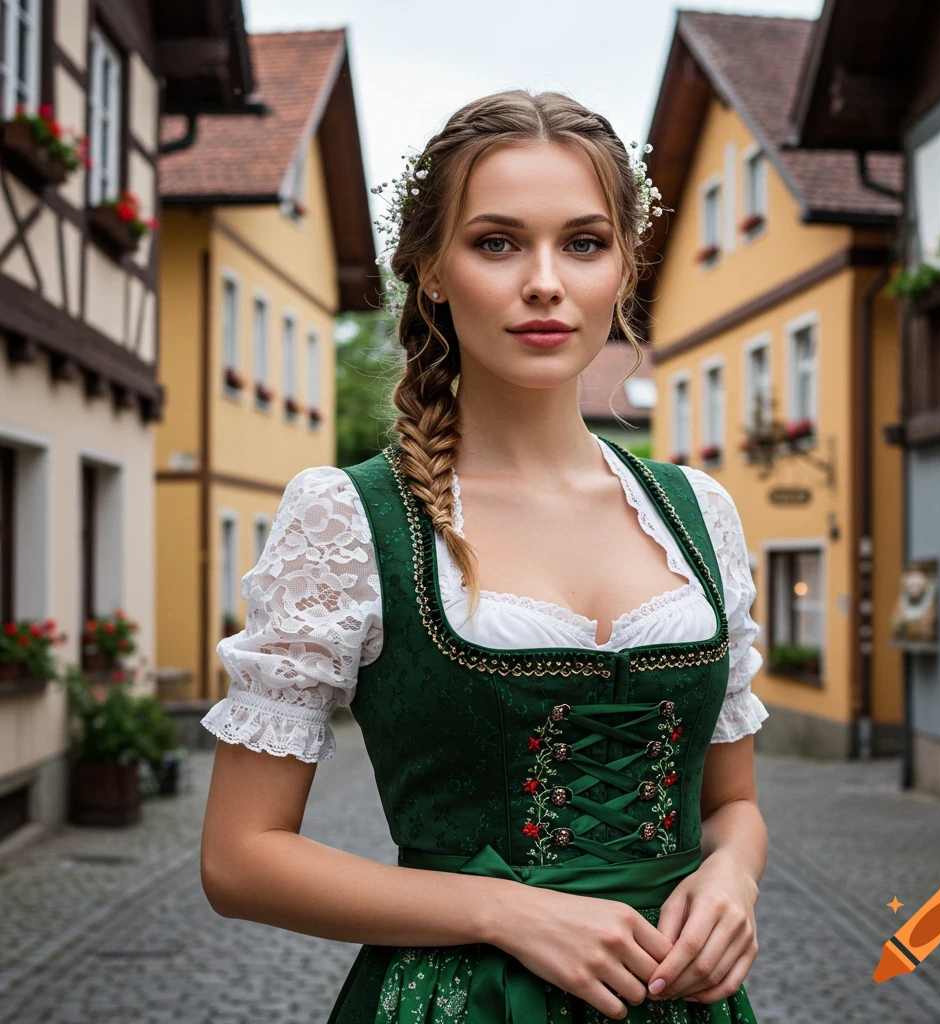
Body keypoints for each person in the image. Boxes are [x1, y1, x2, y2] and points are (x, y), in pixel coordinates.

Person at [199, 89, 769, 1024]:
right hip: (456, 1004)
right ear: (429, 269)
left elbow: (731, 804)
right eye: (497, 242)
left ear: (623, 266)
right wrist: (501, 909)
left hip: (683, 1002)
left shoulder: (698, 513)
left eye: (584, 243)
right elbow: (240, 857)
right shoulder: (348, 517)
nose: (544, 282)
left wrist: (732, 880)